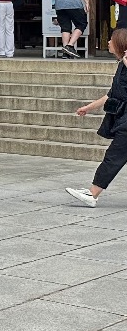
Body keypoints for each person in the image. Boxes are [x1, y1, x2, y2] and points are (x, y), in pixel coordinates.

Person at [66, 28, 127, 207]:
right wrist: (88, 107)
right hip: (122, 117)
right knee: (114, 156)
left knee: (113, 157)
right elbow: (111, 95)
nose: (108, 42)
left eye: (111, 40)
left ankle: (92, 194)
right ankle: (92, 193)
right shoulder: (121, 66)